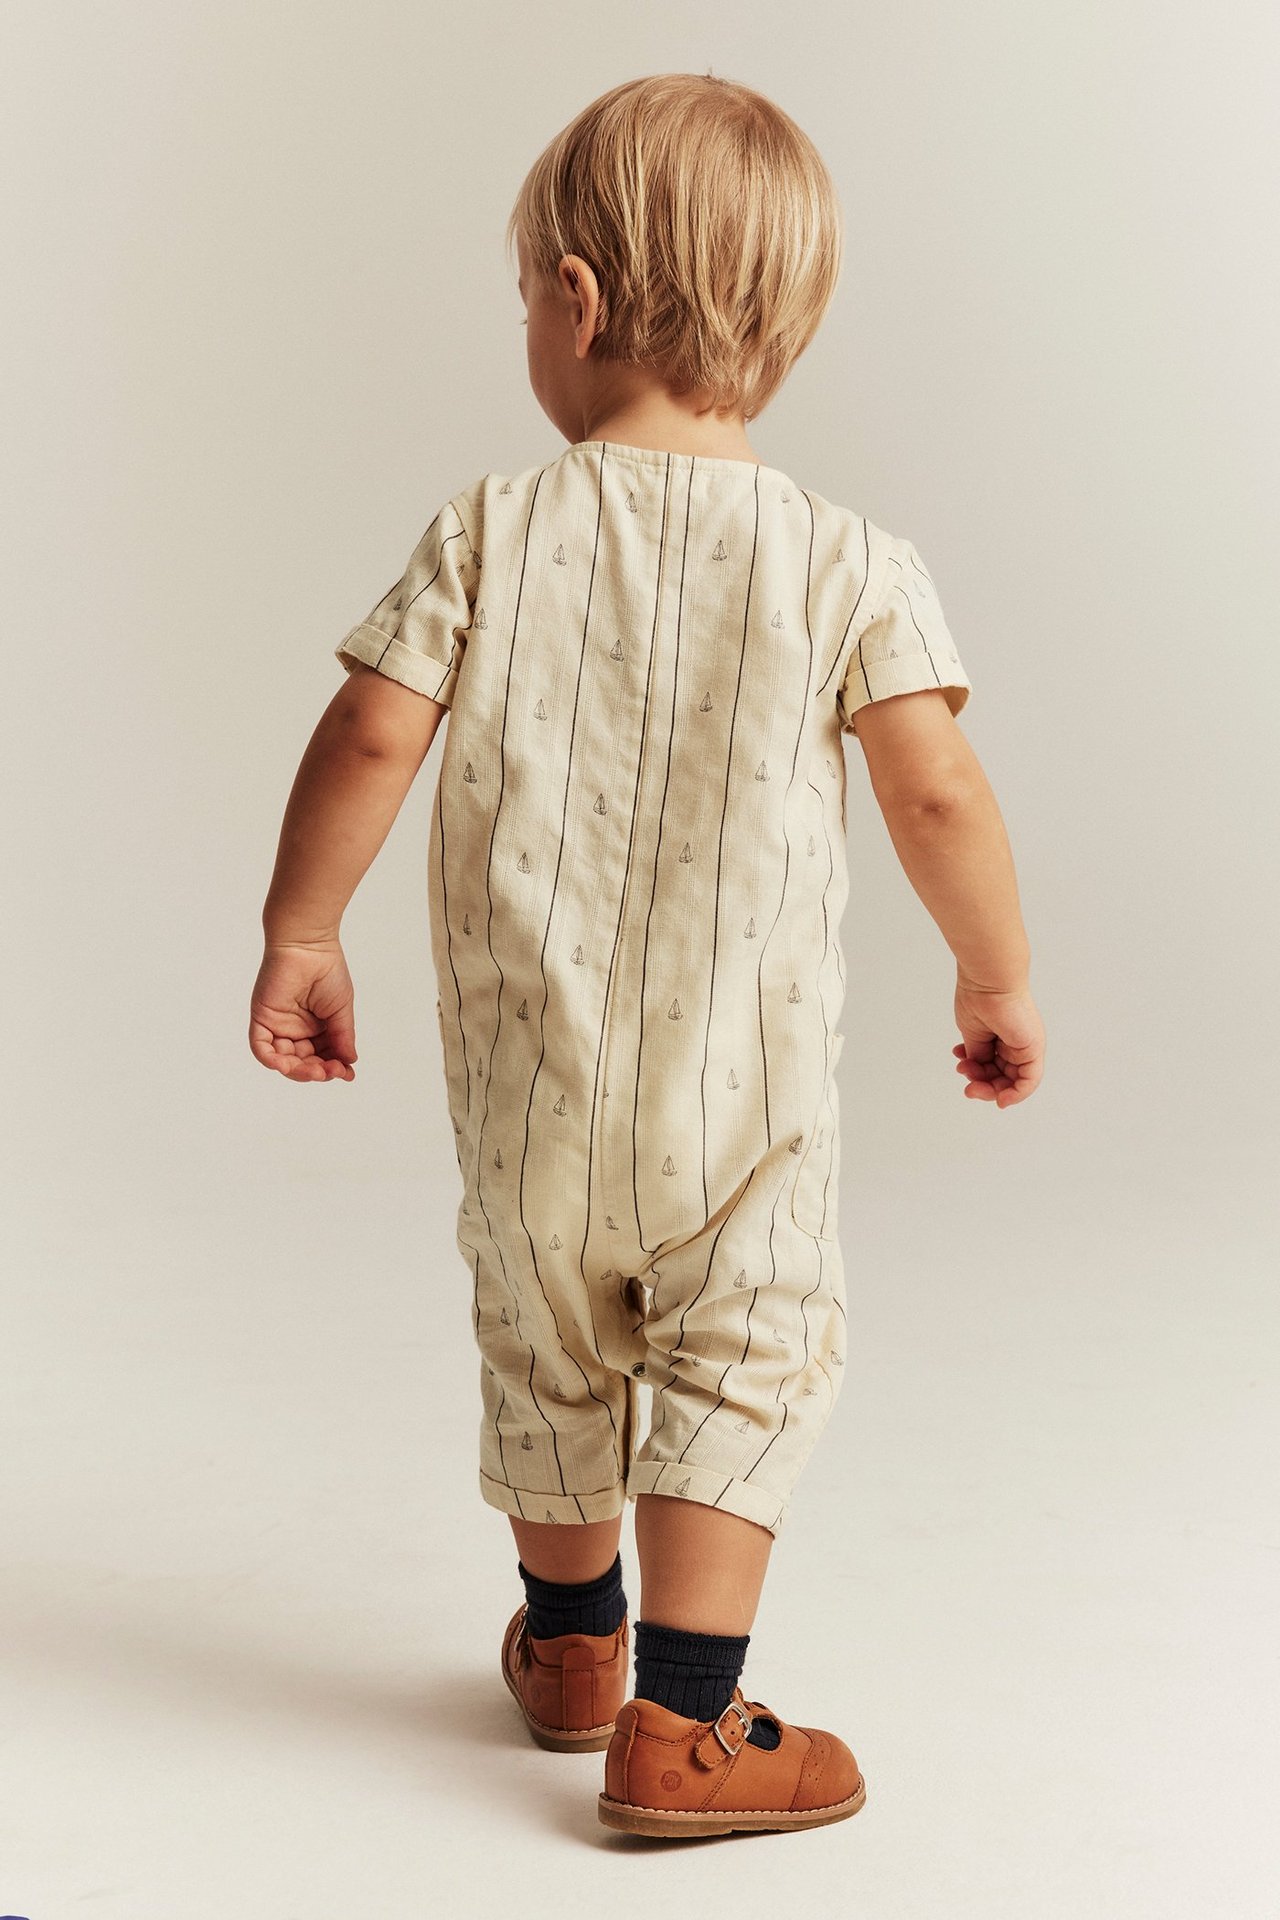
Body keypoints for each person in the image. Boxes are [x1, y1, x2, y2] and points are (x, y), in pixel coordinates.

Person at [250, 72, 1045, 1841]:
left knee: (544, 1346)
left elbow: (371, 735)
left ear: (579, 298)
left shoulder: (489, 527)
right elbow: (936, 791)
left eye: (529, 287)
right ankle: (689, 1718)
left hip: (531, 1099)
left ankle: (572, 1643)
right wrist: (991, 976)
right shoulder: (851, 562)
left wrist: (302, 929)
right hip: (740, 1109)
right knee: (741, 1353)